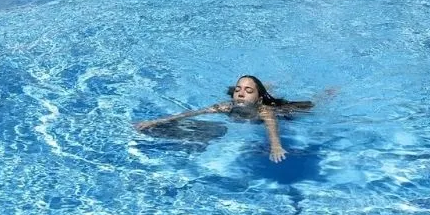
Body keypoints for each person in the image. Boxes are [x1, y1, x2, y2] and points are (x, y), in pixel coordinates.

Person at [134, 76, 313, 162]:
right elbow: (189, 114)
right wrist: (155, 122)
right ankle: (263, 85)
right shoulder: (226, 106)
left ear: (258, 99)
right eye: (238, 90)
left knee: (306, 108)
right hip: (257, 101)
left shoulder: (265, 111)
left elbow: (272, 128)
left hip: (279, 110)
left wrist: (275, 146)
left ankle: (325, 95)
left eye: (248, 91)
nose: (240, 93)